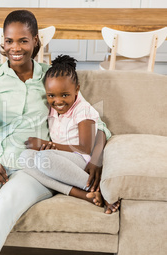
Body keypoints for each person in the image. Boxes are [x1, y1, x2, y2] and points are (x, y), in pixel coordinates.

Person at [0, 10, 112, 255]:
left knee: (3, 207)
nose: (16, 47)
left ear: (35, 41)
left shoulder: (54, 78)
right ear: (3, 43)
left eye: (23, 40)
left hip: (33, 169)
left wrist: (97, 159)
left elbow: (94, 122)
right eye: (9, 41)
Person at [19, 54, 120, 212]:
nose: (58, 101)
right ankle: (83, 194)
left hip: (81, 160)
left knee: (44, 158)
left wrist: (48, 145)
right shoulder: (53, 108)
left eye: (64, 95)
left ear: (77, 90)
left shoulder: (82, 109)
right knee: (24, 158)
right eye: (51, 96)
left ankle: (99, 190)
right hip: (63, 159)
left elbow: (85, 148)